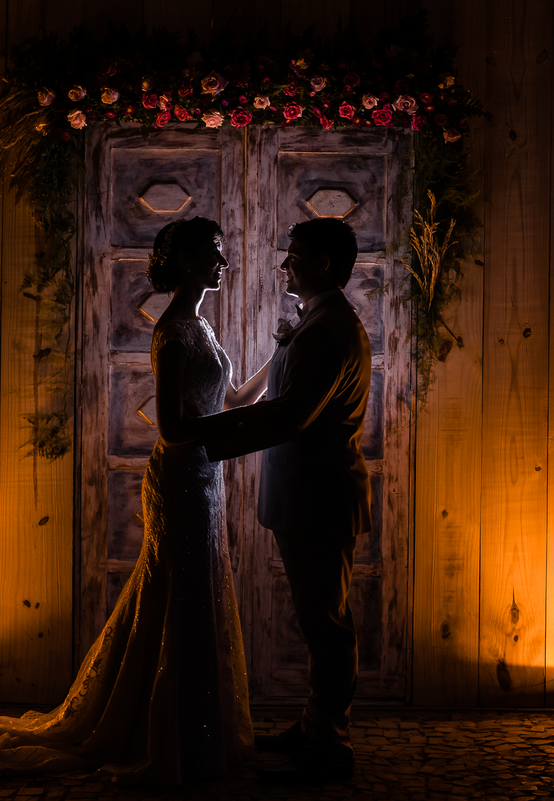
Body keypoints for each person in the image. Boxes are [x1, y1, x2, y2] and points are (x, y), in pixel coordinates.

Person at [0, 217, 268, 785]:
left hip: (206, 480)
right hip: (179, 480)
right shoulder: (173, 331)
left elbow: (236, 398)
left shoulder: (202, 327)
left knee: (197, 594)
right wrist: (237, 426)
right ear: (188, 261)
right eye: (215, 253)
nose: (223, 263)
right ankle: (156, 733)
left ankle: (195, 732)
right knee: (177, 596)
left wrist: (277, 360)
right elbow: (173, 428)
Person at [199, 217, 370, 784]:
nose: (283, 265)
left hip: (318, 495)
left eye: (293, 256)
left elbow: (293, 415)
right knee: (318, 619)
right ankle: (316, 725)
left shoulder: (326, 330)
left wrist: (203, 439)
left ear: (323, 263)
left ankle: (331, 744)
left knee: (326, 624)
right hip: (308, 493)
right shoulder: (318, 321)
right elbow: (269, 397)